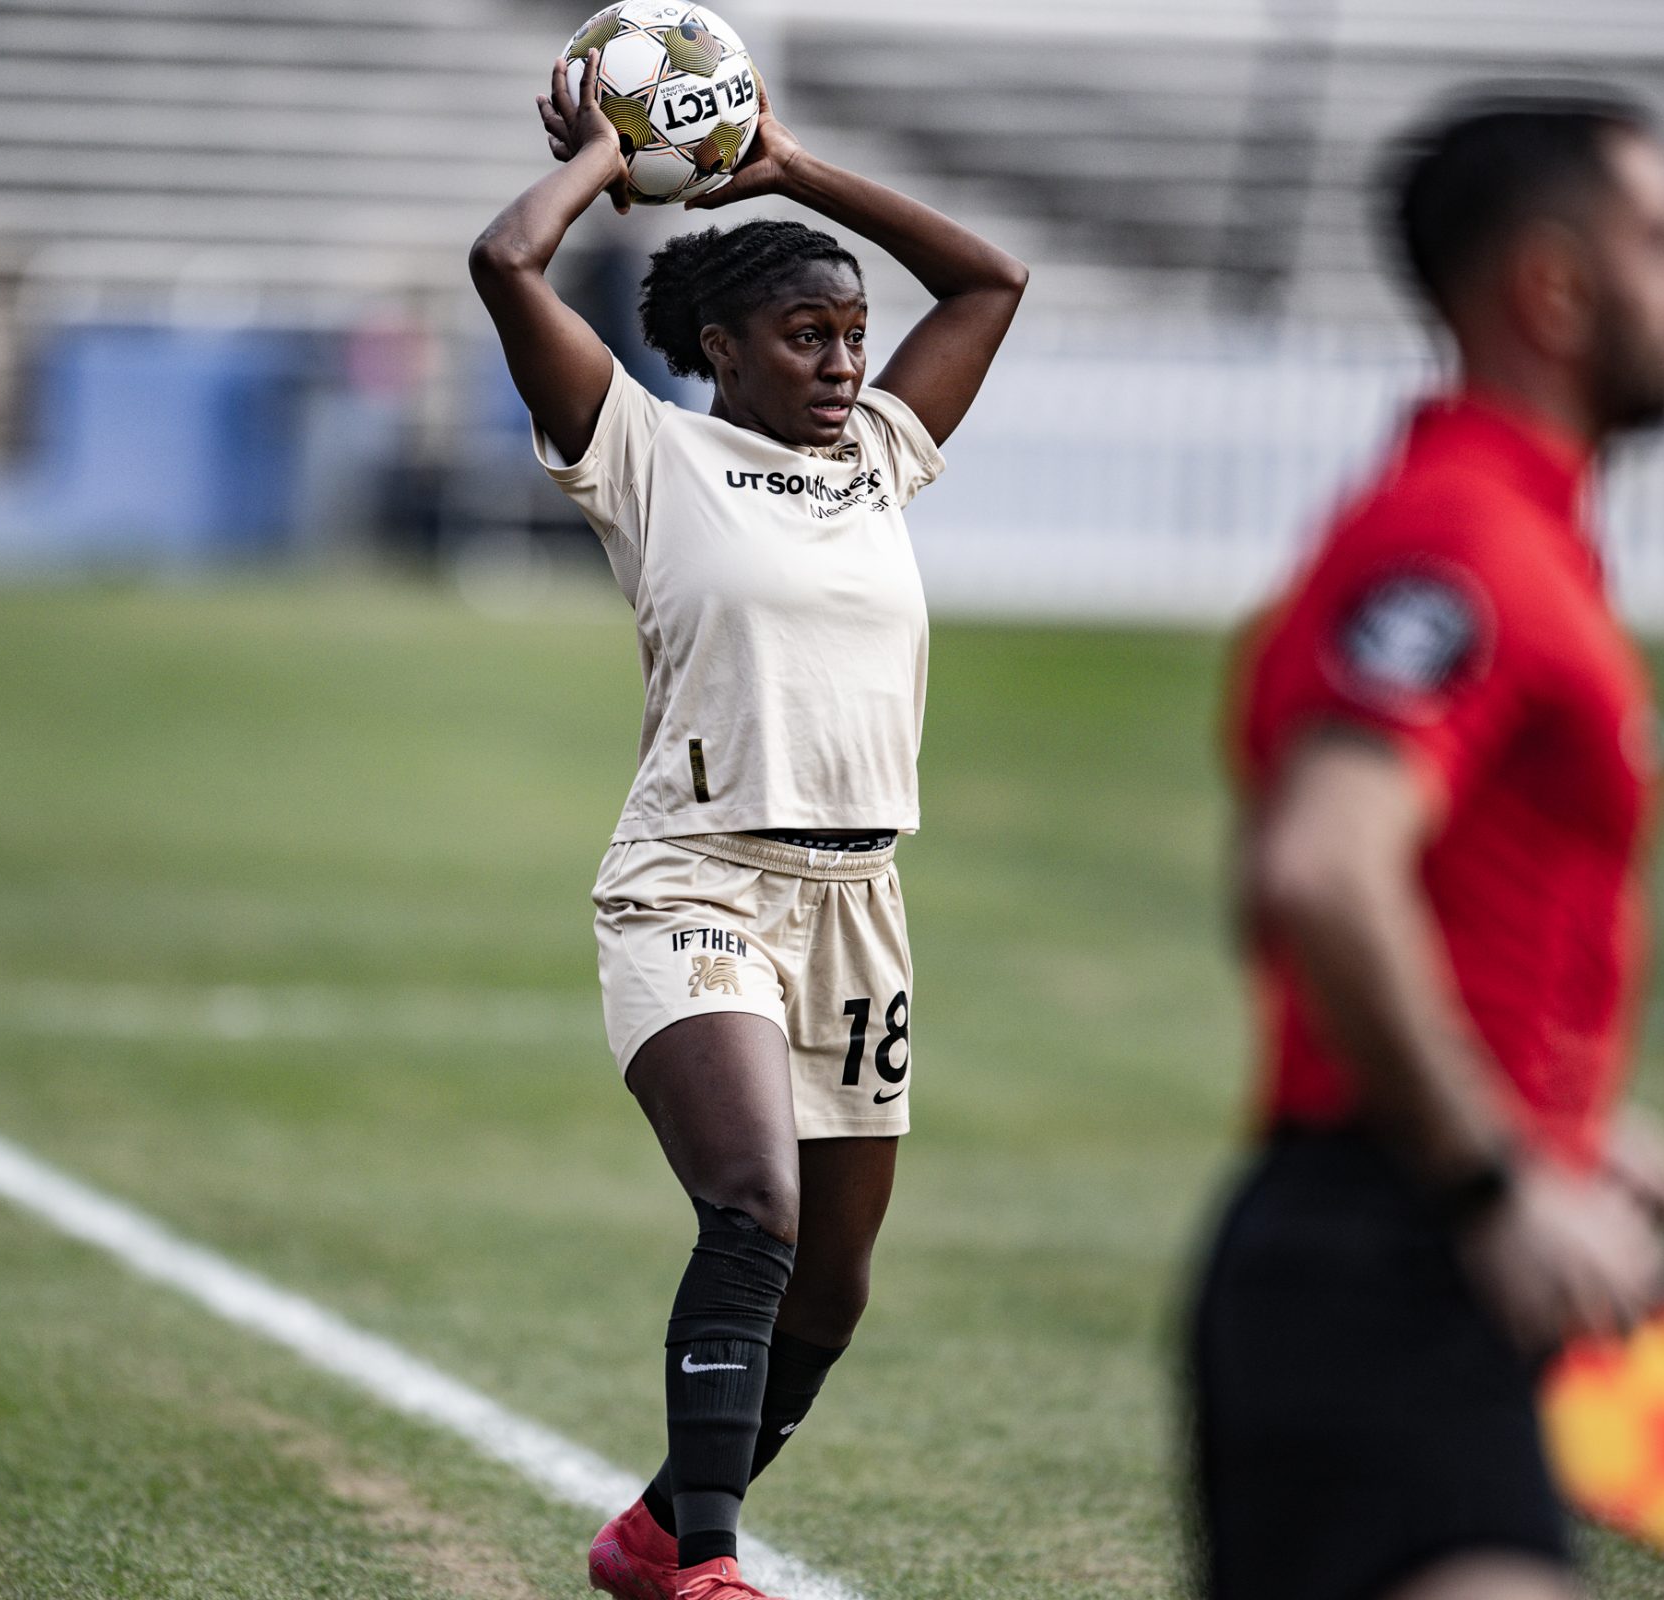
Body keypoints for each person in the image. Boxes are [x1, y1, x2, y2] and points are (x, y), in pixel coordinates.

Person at [467, 46, 1027, 1600]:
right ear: (718, 347)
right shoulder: (646, 454)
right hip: (695, 882)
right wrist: (612, 153)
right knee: (755, 1203)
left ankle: (652, 1530)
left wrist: (791, 167)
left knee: (832, 1289)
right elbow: (506, 261)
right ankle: (709, 1564)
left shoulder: (877, 466)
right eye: (807, 335)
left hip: (861, 908)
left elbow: (989, 283)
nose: (847, 362)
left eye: (853, 335)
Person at [1191, 85, 1664, 1600]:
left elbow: (1273, 881)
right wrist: (1499, 1174)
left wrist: (1562, 1106)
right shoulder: (1462, 540)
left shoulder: (1507, 536)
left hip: (1383, 1248)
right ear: (1555, 287)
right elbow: (1318, 869)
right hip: (1393, 1260)